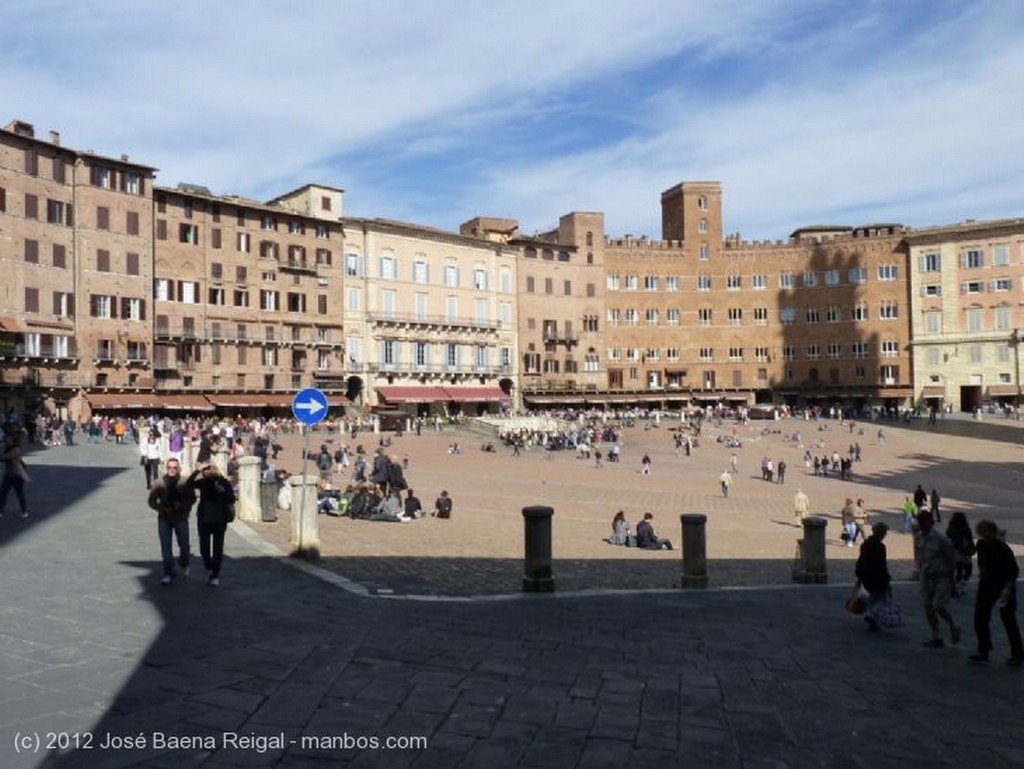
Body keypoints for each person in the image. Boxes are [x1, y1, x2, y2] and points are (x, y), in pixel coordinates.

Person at [969, 520, 1023, 665]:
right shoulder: (980, 545)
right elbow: (974, 555)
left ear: (994, 532)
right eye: (982, 531)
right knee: (980, 618)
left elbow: (1013, 571)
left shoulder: (1003, 549)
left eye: (987, 531)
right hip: (986, 585)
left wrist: (1007, 589)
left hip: (1004, 587)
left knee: (1008, 620)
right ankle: (983, 650)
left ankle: (1017, 653)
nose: (985, 534)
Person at [147, 458, 198, 585]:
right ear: (166, 468)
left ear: (179, 469)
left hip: (181, 518)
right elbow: (151, 501)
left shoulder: (184, 482)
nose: (172, 470)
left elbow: (192, 499)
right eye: (170, 467)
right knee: (166, 547)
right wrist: (161, 508)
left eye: (175, 468)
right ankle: (168, 573)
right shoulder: (159, 483)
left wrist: (182, 506)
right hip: (164, 518)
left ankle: (184, 563)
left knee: (184, 545)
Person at [915, 510, 962, 648]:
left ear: (931, 522)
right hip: (926, 576)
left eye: (924, 522)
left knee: (939, 606)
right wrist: (919, 569)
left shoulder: (941, 539)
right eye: (920, 522)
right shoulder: (918, 537)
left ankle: (953, 626)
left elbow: (951, 558)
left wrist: (951, 578)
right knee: (928, 606)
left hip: (942, 576)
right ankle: (936, 635)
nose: (921, 525)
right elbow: (919, 555)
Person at [188, 462, 235, 586]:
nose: (206, 471)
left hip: (220, 519)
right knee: (204, 547)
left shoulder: (223, 482)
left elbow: (231, 499)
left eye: (208, 469)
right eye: (204, 470)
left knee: (217, 548)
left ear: (214, 468)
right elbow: (189, 484)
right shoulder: (203, 482)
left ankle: (215, 574)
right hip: (204, 519)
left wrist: (222, 491)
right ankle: (208, 565)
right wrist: (196, 471)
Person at [855, 522, 891, 631]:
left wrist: (859, 574)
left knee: (872, 599)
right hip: (878, 578)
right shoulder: (880, 547)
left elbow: (861, 560)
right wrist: (887, 578)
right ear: (882, 534)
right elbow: (882, 564)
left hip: (866, 576)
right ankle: (872, 615)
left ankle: (874, 623)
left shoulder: (865, 544)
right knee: (882, 600)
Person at [0, 429, 30, 518]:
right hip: (8, 475)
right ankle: (0, 510)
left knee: (19, 494)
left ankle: (24, 511)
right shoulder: (7, 448)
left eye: (8, 440)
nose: (6, 441)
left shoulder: (16, 450)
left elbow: (3, 457)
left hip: (17, 475)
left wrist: (1, 448)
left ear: (13, 440)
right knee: (3, 493)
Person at [946, 512, 976, 596]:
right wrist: (973, 549)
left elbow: (946, 540)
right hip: (964, 552)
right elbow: (970, 540)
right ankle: (961, 586)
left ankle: (956, 588)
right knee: (968, 571)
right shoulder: (966, 528)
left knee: (958, 571)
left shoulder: (950, 529)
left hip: (954, 552)